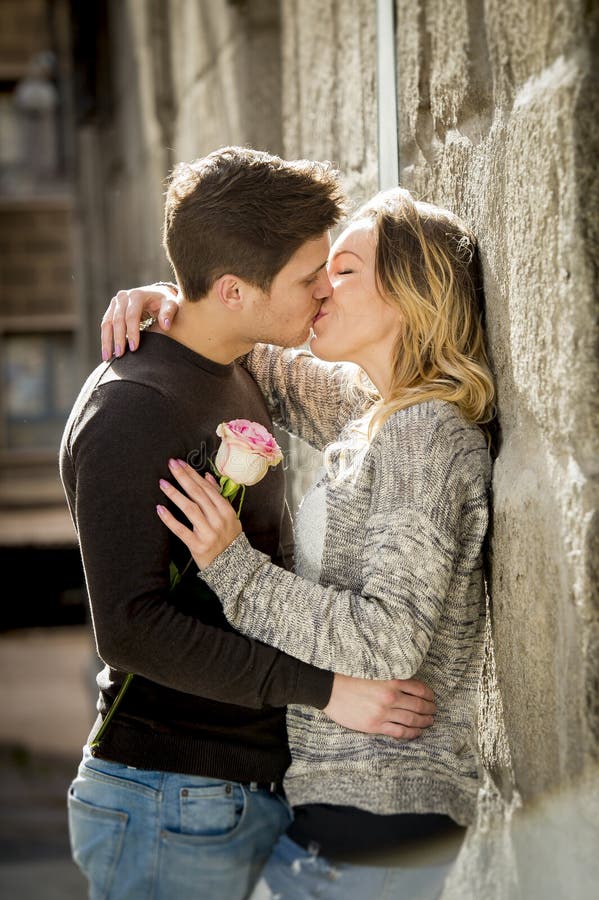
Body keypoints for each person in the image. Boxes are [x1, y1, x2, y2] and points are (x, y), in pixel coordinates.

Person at [60, 147, 436, 900]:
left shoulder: (236, 367)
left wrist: (169, 293)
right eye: (308, 278)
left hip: (236, 788)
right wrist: (326, 689)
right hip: (167, 797)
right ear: (234, 290)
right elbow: (130, 628)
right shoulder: (132, 410)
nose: (324, 290)